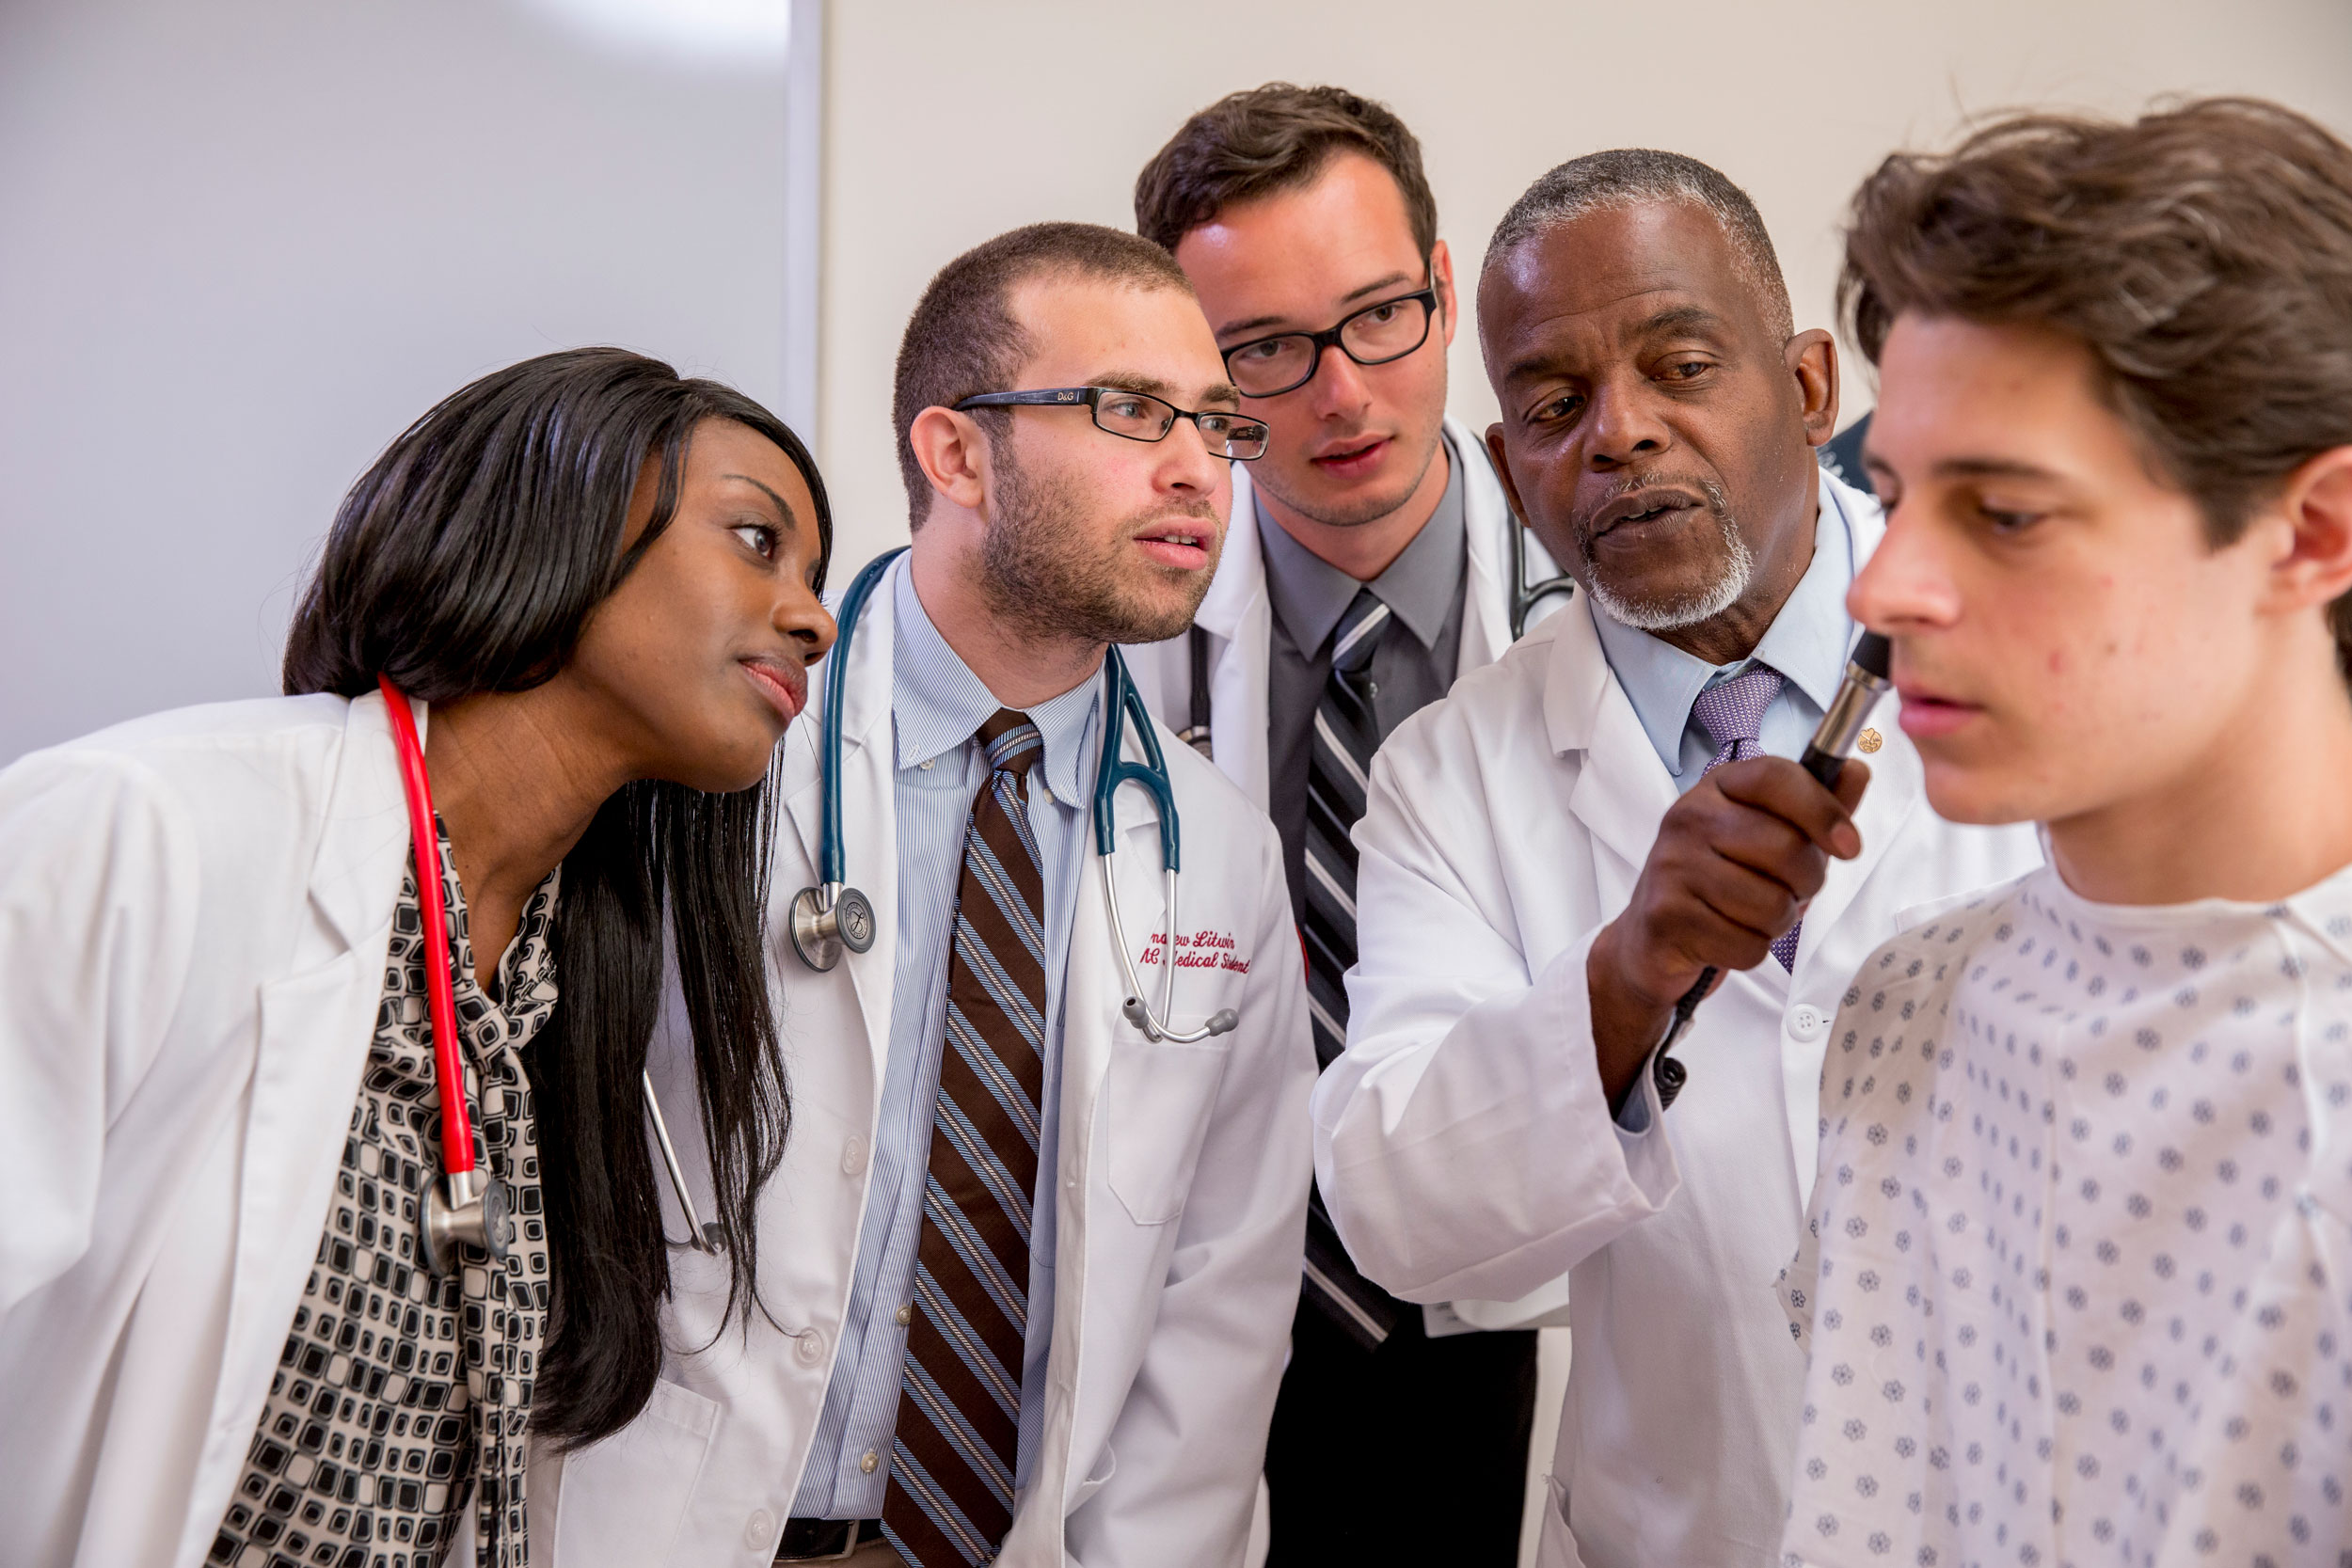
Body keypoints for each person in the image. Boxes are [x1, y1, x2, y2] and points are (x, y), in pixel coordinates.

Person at [1308, 151, 2045, 1567]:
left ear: (1812, 388)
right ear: (1510, 463)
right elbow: (1399, 1215)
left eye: (1683, 365)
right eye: (1551, 407)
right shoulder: (1451, 775)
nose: (1620, 435)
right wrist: (1622, 984)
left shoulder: (2019, 636)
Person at [540, 223, 1314, 1568]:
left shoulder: (1220, 859)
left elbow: (1219, 1309)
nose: (1199, 467)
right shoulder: (704, 758)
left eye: (1216, 422)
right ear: (955, 453)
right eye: (1131, 410)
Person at [0, 347, 836, 1568]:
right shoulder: (141, 830)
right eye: (758, 541)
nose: (813, 618)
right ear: (567, 525)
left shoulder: (562, 980)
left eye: (814, 577)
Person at [1779, 98, 2352, 1566]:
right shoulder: (1906, 1014)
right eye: (1893, 497)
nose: (1883, 587)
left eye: (2008, 516)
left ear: (2313, 533)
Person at [1126, 84, 1568, 1562]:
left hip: (1531, 1305)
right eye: (1263, 350)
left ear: (1448, 295)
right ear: (1194, 369)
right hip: (1202, 1312)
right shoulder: (1114, 644)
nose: (1340, 394)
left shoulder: (1607, 623)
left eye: (1380, 315)